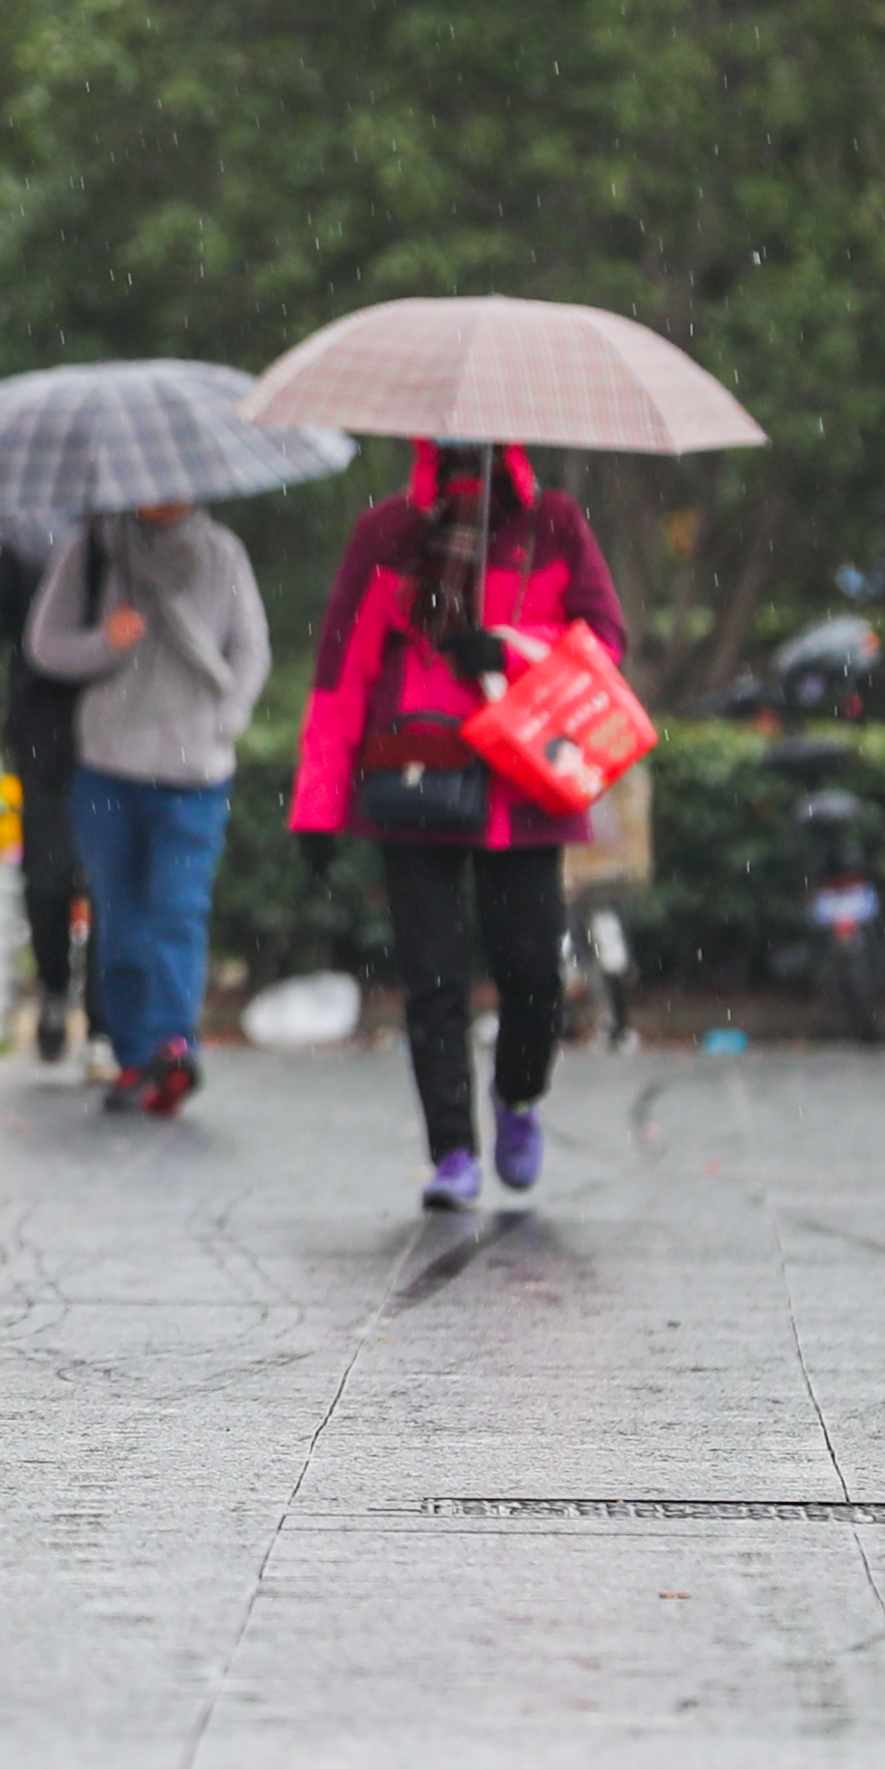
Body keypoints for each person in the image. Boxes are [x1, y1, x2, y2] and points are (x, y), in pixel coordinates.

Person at [288, 442, 629, 1209]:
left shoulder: (554, 525)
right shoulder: (387, 534)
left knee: (534, 976)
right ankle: (451, 1150)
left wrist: (511, 649)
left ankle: (517, 1095)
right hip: (417, 779)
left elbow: (606, 642)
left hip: (526, 785)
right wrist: (319, 803)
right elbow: (343, 675)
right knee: (432, 979)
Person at [22, 503, 270, 1117]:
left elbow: (250, 653)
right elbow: (45, 645)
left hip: (196, 772)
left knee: (179, 913)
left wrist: (223, 724)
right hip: (108, 763)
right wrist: (106, 640)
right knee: (122, 918)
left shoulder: (222, 551)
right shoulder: (94, 548)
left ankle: (173, 1045)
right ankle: (135, 1054)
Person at [0, 513, 94, 1063]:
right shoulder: (16, 524)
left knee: (109, 872)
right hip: (44, 721)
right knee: (50, 872)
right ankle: (55, 984)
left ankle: (101, 1013)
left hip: (126, 726)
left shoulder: (138, 509)